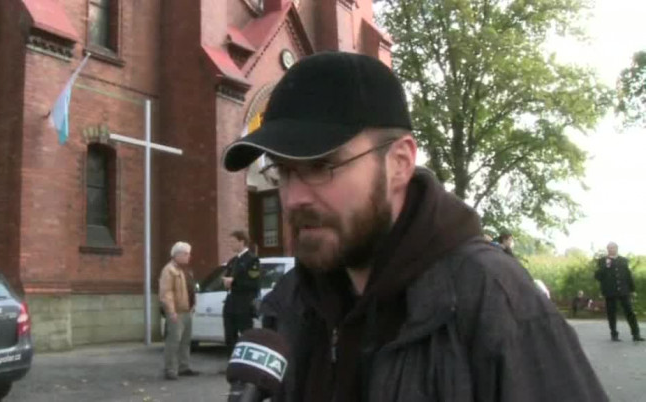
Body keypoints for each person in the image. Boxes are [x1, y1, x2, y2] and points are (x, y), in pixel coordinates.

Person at [222, 52, 607, 401]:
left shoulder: (493, 301)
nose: (293, 198)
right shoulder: (292, 303)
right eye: (284, 171)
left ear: (400, 163)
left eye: (321, 166)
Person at [158, 241, 199, 380]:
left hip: (187, 310)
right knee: (173, 341)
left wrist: (193, 305)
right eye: (186, 254)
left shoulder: (186, 270)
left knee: (185, 341)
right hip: (176, 312)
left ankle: (184, 367)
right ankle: (170, 369)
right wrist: (171, 311)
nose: (189, 256)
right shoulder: (169, 270)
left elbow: (191, 289)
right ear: (177, 255)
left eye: (189, 254)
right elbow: (166, 293)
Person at [594, 242, 644, 342]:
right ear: (607, 249)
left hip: (624, 290)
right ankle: (614, 334)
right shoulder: (602, 261)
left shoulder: (623, 260)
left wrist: (632, 289)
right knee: (611, 313)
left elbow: (628, 275)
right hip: (610, 292)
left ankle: (636, 334)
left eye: (613, 248)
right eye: (609, 248)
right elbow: (598, 277)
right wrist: (606, 266)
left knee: (630, 312)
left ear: (617, 248)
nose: (611, 249)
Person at [222, 230, 261, 354]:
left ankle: (246, 360)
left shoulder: (252, 260)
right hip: (231, 303)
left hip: (244, 304)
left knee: (246, 335)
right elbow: (226, 277)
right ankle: (232, 359)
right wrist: (226, 282)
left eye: (233, 242)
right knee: (230, 336)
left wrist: (233, 282)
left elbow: (254, 283)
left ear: (242, 242)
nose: (231, 245)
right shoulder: (233, 261)